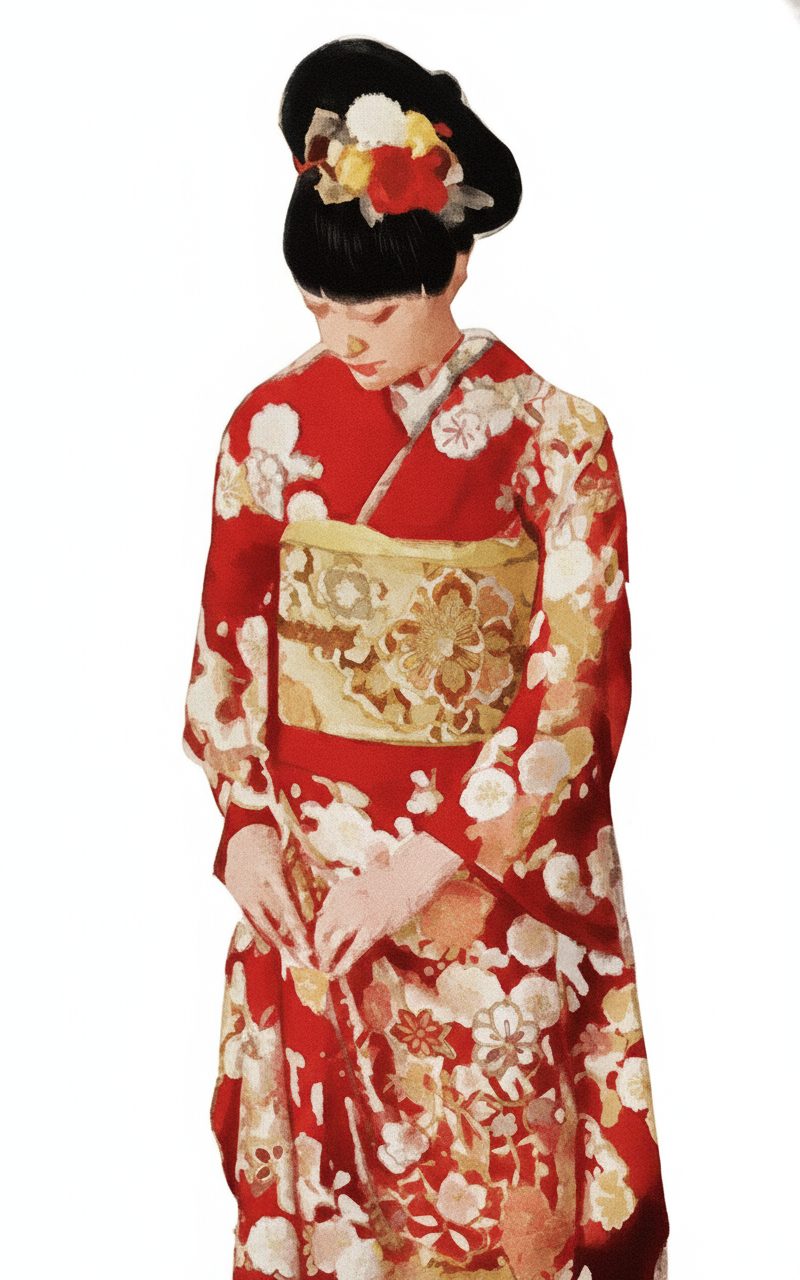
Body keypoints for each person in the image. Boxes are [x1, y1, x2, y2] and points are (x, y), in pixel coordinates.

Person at [182, 35, 670, 1280]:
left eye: (377, 306)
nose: (345, 336)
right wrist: (245, 827)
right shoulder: (266, 429)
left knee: (501, 1199)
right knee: (332, 1205)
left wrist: (425, 860)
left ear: (454, 260)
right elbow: (229, 648)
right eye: (319, 304)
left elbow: (572, 677)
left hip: (486, 891)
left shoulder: (555, 436)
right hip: (316, 887)